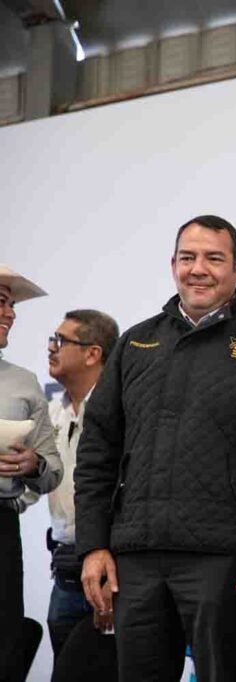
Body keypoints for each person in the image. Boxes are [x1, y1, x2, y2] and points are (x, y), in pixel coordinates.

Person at [74, 215, 236, 681]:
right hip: (135, 558)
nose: (198, 269)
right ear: (173, 264)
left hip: (229, 560)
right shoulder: (135, 343)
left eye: (214, 258)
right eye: (187, 257)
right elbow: (97, 452)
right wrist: (93, 545)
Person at [43, 309, 121, 658]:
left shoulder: (122, 411)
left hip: (110, 574)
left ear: (93, 354)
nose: (51, 347)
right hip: (64, 571)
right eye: (52, 339)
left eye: (61, 341)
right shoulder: (52, 412)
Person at [0, 265, 62, 682]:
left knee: (5, 649)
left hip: (2, 528)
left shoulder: (24, 383)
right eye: (2, 302)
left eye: (11, 304)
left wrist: (33, 464)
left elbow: (52, 470)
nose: (11, 313)